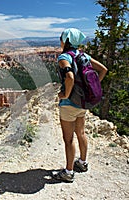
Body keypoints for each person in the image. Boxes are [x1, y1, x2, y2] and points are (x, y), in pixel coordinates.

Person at [54, 28, 107, 182]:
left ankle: (68, 172)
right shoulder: (83, 55)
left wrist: (65, 94)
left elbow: (69, 77)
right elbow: (103, 69)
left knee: (68, 139)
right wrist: (91, 88)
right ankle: (82, 163)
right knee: (81, 133)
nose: (61, 41)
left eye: (62, 38)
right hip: (83, 104)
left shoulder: (64, 57)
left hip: (69, 105)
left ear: (66, 41)